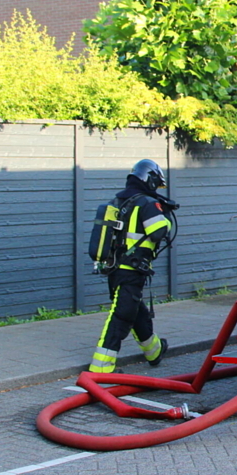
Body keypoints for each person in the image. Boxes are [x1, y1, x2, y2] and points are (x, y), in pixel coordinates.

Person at [88, 160, 173, 374]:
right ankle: (102, 369)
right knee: (122, 315)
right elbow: (158, 231)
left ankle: (154, 352)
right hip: (132, 269)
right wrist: (167, 216)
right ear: (150, 179)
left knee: (136, 311)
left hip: (115, 267)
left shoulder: (119, 200)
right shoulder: (146, 203)